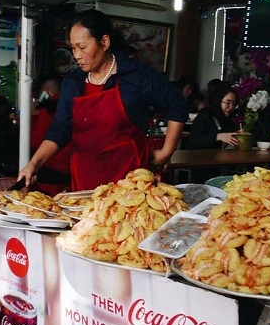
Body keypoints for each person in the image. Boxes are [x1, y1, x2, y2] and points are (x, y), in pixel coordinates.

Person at [18, 10, 188, 191]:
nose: (76, 55)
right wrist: (33, 164)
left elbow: (177, 103)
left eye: (82, 47)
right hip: (86, 176)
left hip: (129, 178)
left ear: (104, 42)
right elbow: (60, 129)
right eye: (73, 48)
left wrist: (167, 151)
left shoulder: (136, 75)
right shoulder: (73, 82)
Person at [30, 77, 71, 194]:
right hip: (71, 169)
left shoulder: (46, 109)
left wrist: (32, 117)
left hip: (51, 168)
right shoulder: (72, 105)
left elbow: (35, 141)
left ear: (46, 92)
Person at [187, 83, 240, 149]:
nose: (231, 107)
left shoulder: (229, 120)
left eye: (234, 104)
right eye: (227, 103)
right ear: (218, 101)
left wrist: (237, 135)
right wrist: (218, 137)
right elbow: (194, 141)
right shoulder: (205, 114)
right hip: (200, 157)